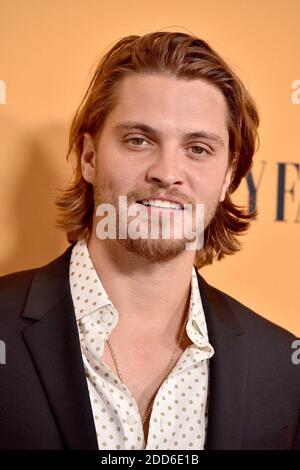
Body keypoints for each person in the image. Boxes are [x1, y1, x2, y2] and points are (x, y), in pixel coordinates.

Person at [0, 31, 299, 451]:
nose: (166, 172)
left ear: (228, 177)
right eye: (139, 140)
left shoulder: (283, 365)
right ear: (89, 157)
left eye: (197, 148)